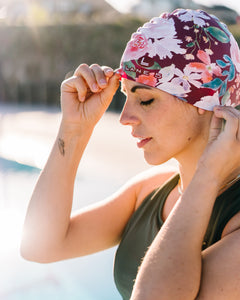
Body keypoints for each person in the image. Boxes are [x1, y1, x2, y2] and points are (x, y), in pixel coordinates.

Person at [21, 8, 240, 300]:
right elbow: (39, 246)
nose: (124, 117)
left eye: (145, 99)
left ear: (206, 99)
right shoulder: (150, 190)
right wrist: (74, 130)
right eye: (126, 96)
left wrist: (208, 175)